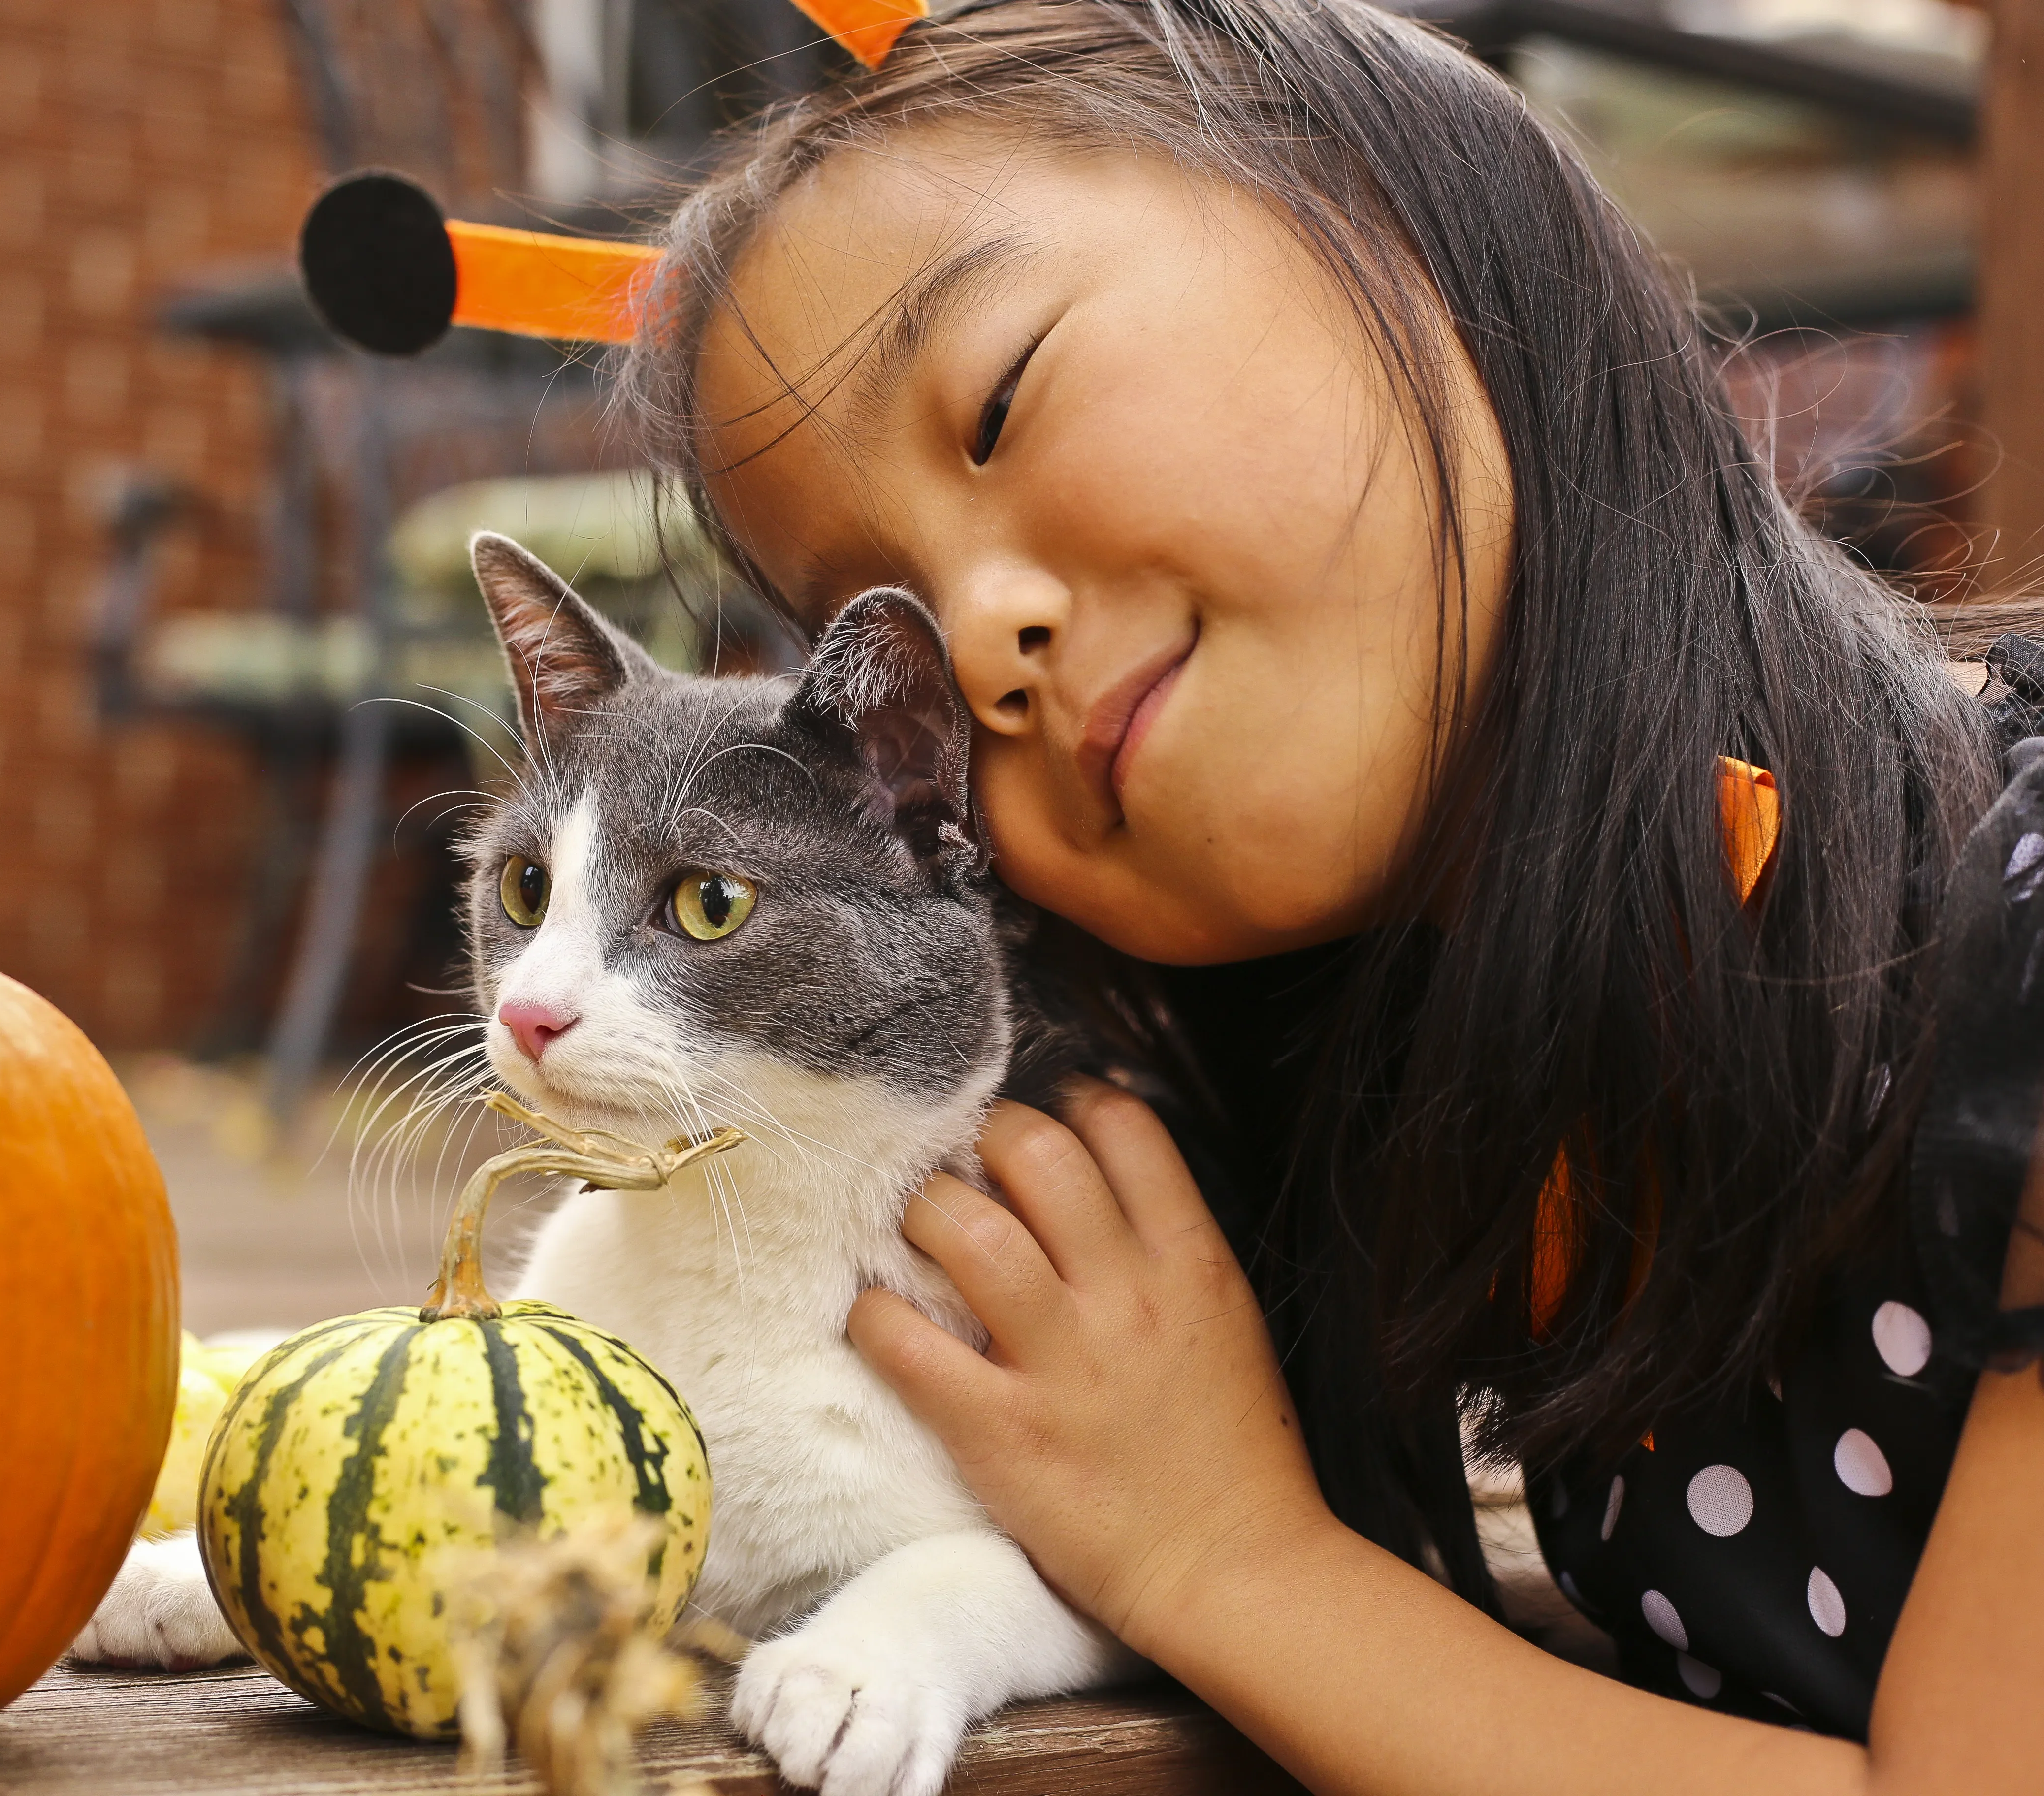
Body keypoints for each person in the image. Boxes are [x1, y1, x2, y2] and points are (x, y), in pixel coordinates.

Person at [615, 0, 2044, 1789]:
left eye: (997, 398)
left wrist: (1230, 1560)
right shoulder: (1490, 1126)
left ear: (1397, 211)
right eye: (873, 632)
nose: (973, 644)